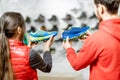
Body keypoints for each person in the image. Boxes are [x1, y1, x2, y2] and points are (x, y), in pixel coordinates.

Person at [63, 0, 120, 80]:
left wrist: (69, 49)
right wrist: (92, 41)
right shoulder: (98, 39)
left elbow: (76, 64)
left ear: (100, 9)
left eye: (95, 8)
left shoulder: (97, 39)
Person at [0, 12, 53, 80]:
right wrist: (46, 48)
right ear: (19, 30)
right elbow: (47, 68)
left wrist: (27, 48)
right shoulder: (30, 54)